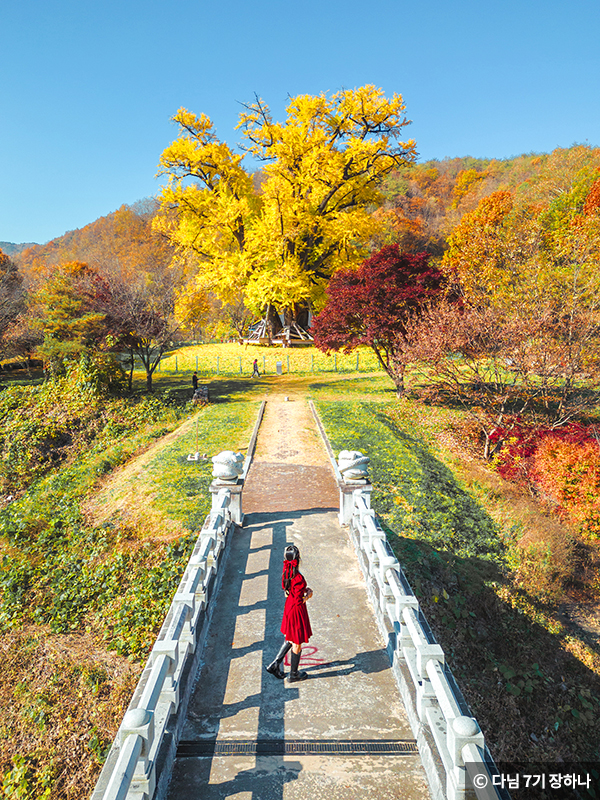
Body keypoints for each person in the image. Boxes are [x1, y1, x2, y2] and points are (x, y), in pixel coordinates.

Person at [266, 544, 313, 682]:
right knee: (297, 642)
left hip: (289, 606)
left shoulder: (286, 571)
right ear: (298, 559)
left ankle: (275, 664)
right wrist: (308, 594)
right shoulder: (298, 577)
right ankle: (293, 674)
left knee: (290, 638)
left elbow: (287, 591)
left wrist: (301, 591)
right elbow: (300, 600)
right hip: (297, 610)